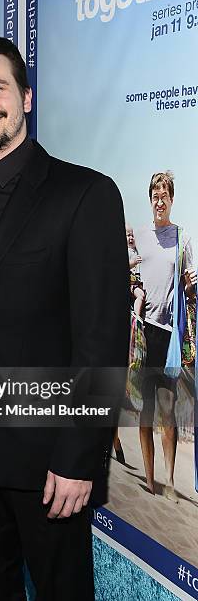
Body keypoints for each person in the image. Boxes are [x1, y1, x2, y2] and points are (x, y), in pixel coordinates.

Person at [0, 33, 130, 600]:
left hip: (48, 454)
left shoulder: (85, 193)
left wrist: (79, 456)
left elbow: (102, 338)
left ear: (26, 96)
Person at [134, 171, 196, 502]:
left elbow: (188, 290)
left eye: (164, 195)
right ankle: (150, 478)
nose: (159, 201)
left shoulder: (183, 238)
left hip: (168, 336)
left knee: (167, 413)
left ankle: (170, 481)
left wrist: (190, 286)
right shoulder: (140, 236)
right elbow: (128, 276)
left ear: (172, 199)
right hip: (144, 332)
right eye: (155, 196)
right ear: (151, 199)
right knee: (144, 412)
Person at [126, 225, 145, 318]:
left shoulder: (135, 250)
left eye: (133, 236)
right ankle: (136, 317)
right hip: (130, 282)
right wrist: (133, 262)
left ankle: (137, 314)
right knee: (140, 296)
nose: (131, 238)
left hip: (137, 281)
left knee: (142, 296)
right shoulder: (126, 251)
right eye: (128, 235)